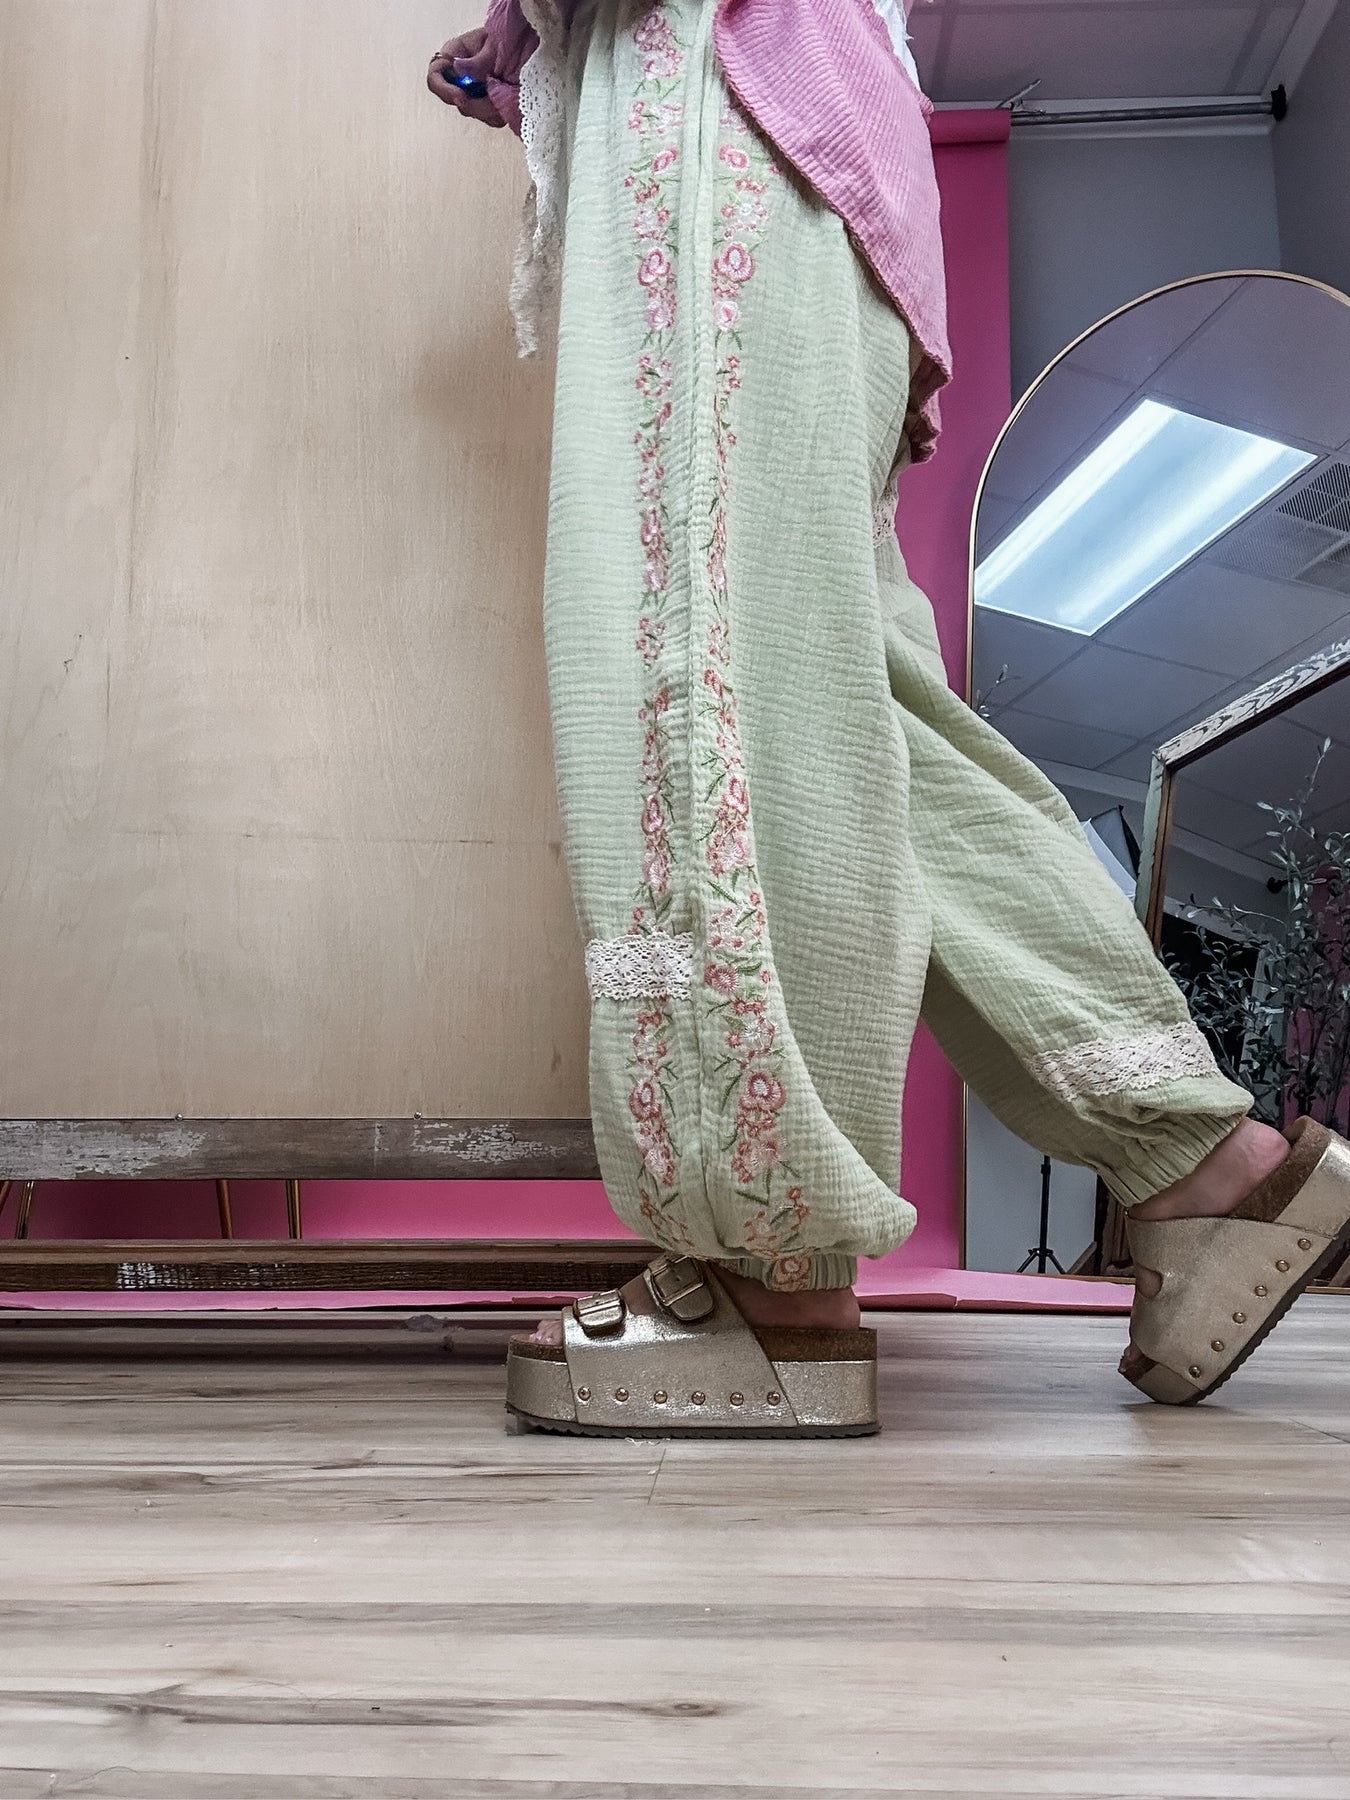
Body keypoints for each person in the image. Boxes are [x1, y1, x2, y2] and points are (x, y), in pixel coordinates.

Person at [428, 0, 1350, 1437]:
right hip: (796, 148)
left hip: (720, 106)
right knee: (837, 707)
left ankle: (769, 1277)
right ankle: (1201, 1167)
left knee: (703, 678)